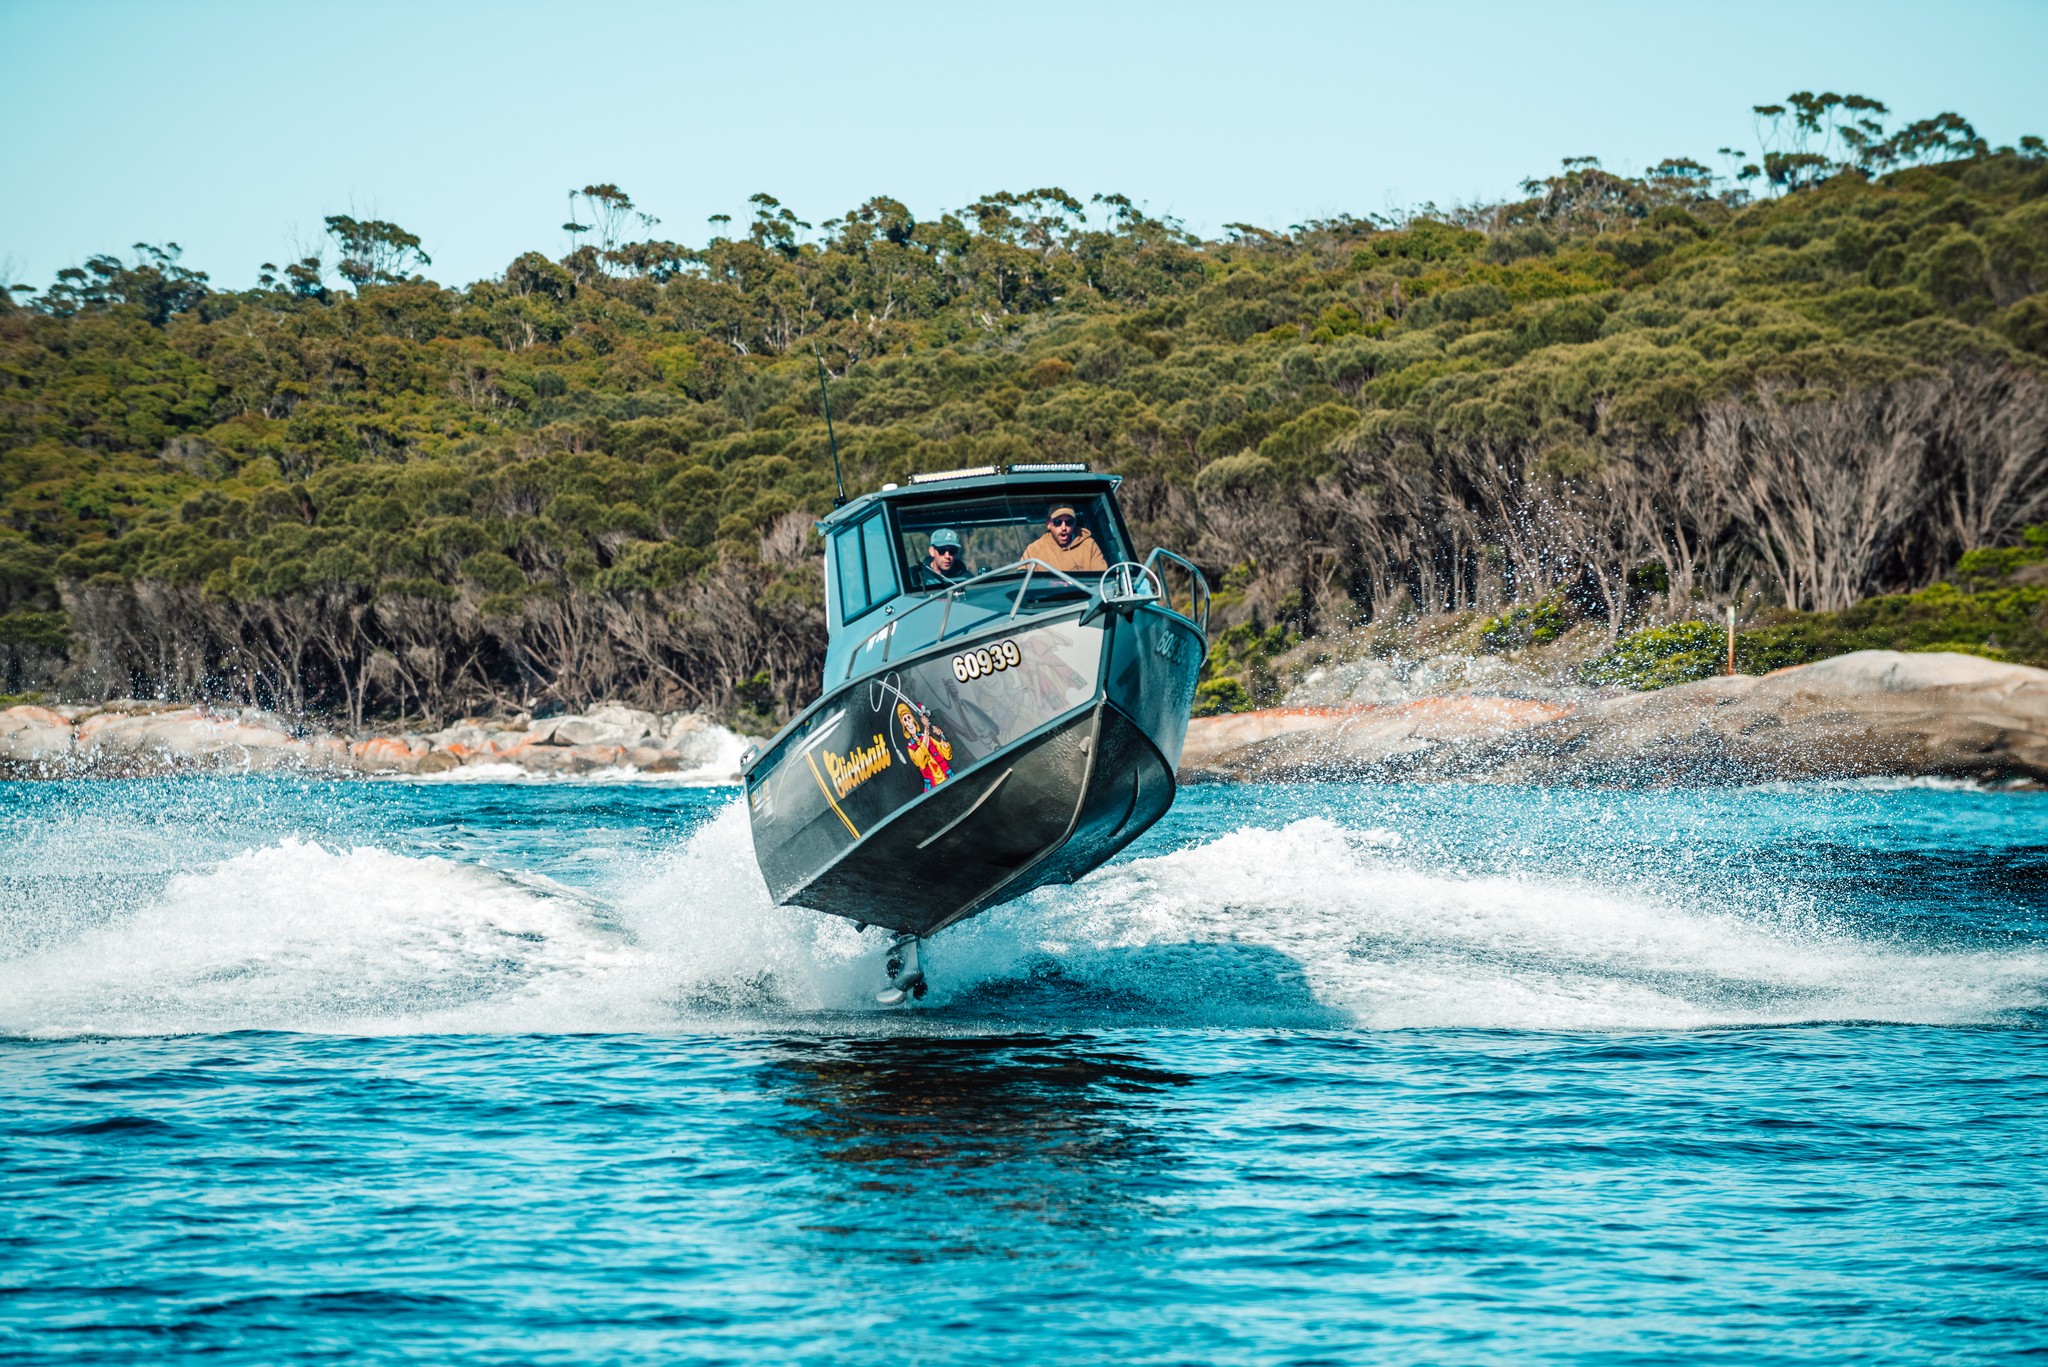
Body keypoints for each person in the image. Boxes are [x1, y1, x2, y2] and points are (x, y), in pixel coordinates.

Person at [1021, 503, 1109, 574]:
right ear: (1048, 524)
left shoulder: (1089, 545)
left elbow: (1103, 580)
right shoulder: (1034, 550)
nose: (1064, 527)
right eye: (1058, 522)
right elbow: (1022, 582)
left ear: (1075, 523)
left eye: (1069, 522)